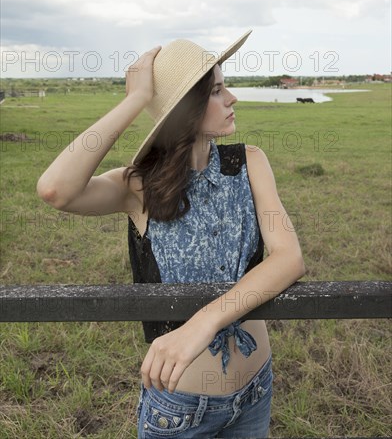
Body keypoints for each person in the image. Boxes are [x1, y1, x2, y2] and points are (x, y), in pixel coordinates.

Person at [37, 29, 305, 438]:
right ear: (186, 109)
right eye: (216, 91)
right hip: (180, 409)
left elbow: (289, 258)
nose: (232, 98)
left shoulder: (250, 162)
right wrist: (136, 100)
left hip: (254, 391)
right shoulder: (138, 186)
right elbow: (56, 189)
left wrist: (203, 323)